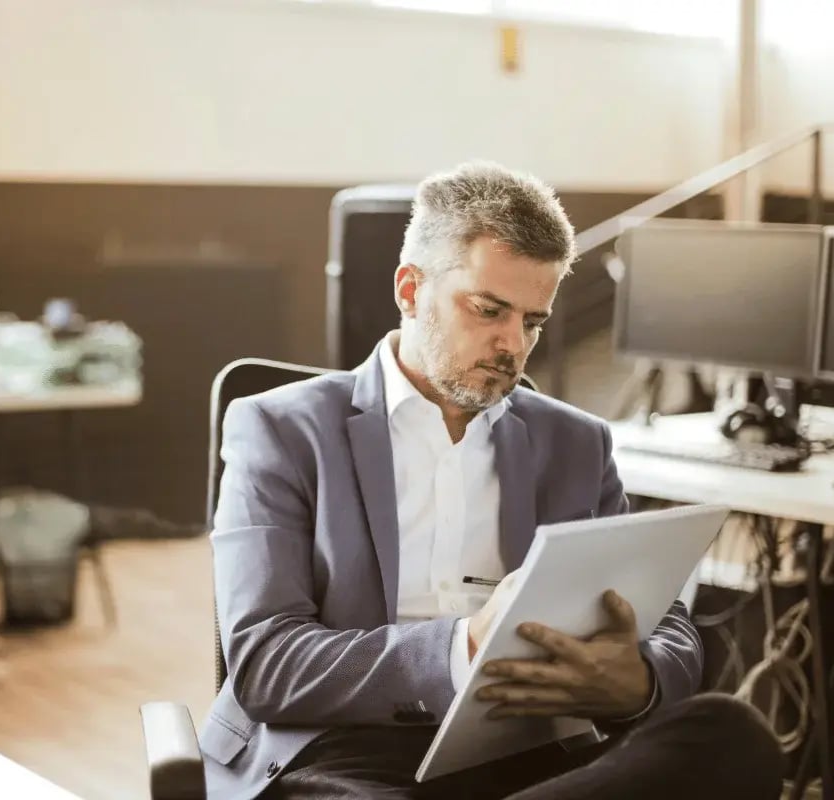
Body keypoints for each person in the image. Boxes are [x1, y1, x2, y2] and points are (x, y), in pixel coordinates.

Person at [201, 161, 784, 799]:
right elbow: (265, 664)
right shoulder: (280, 429)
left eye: (532, 321)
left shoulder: (576, 443)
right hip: (342, 749)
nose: (512, 343)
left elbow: (665, 620)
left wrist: (638, 680)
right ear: (409, 289)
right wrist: (464, 646)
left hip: (529, 745)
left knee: (730, 732)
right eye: (488, 310)